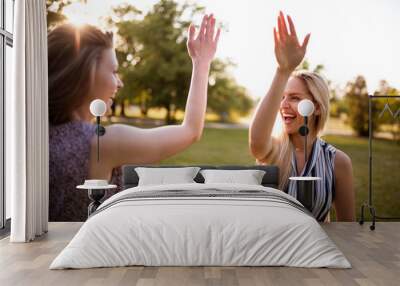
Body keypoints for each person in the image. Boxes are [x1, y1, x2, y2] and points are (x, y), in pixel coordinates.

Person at [49, 14, 221, 221]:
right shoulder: (103, 143)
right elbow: (191, 131)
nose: (119, 83)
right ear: (87, 74)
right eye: (113, 71)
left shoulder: (38, 135)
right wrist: (202, 62)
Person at [249, 12, 355, 222]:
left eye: (295, 98)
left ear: (316, 107)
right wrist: (283, 70)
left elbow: (348, 228)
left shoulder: (338, 162)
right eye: (283, 97)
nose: (284, 105)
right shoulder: (272, 150)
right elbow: (256, 141)